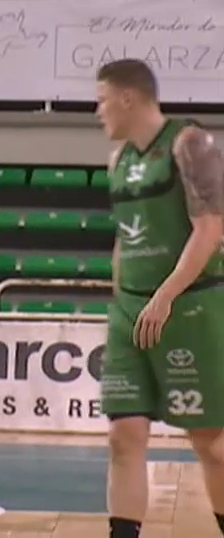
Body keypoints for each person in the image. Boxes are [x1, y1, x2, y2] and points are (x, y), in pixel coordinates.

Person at [95, 58, 224, 538]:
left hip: (189, 306)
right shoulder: (117, 161)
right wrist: (120, 300)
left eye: (101, 100)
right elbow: (125, 238)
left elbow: (211, 227)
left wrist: (166, 295)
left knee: (211, 444)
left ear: (128, 97)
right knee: (122, 436)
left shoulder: (189, 143)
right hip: (131, 309)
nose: (97, 111)